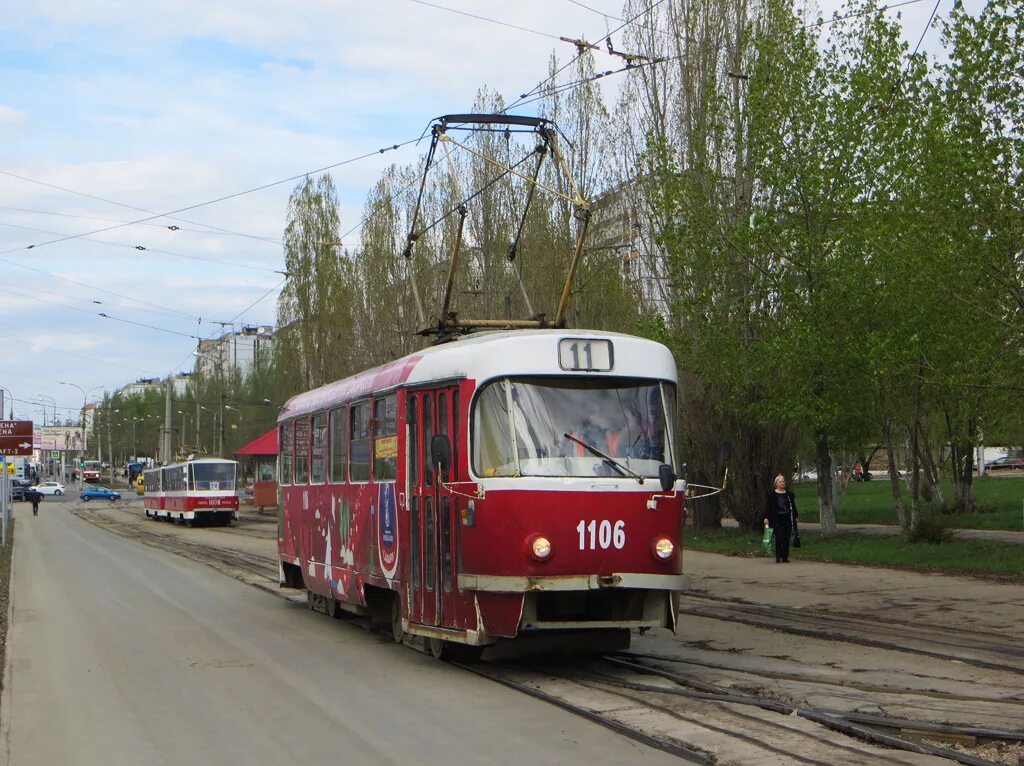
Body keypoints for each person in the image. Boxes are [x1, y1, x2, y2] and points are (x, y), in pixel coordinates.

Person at [764, 474, 798, 563]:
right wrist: (766, 517)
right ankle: (778, 556)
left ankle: (785, 557)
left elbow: (793, 506)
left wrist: (795, 516)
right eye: (780, 481)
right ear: (776, 483)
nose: (782, 483)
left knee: (787, 537)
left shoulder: (789, 494)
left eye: (783, 481)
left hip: (787, 517)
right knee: (779, 537)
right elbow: (768, 507)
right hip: (777, 518)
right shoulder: (772, 495)